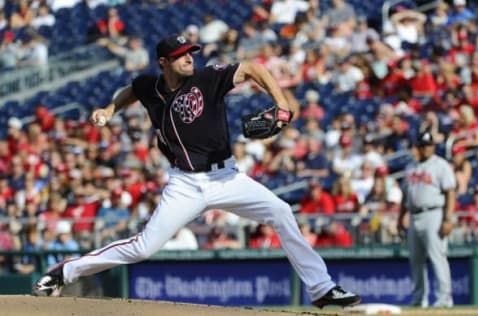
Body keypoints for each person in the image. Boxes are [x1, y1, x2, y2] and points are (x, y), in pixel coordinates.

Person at [33, 34, 360, 308]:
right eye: (180, 55)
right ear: (164, 62)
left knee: (281, 211)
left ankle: (321, 289)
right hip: (185, 184)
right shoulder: (150, 86)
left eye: (190, 52)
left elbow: (252, 68)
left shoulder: (207, 78)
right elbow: (132, 90)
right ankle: (66, 272)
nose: (189, 58)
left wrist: (281, 104)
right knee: (144, 247)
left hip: (227, 177)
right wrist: (109, 108)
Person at [397, 130, 456, 308]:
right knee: (415, 259)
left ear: (433, 147)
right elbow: (404, 194)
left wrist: (447, 219)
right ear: (418, 147)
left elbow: (450, 193)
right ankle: (419, 299)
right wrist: (400, 218)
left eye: (429, 145)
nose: (426, 149)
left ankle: (444, 299)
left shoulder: (441, 165)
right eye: (423, 145)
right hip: (414, 215)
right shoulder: (411, 167)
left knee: (437, 257)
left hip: (434, 214)